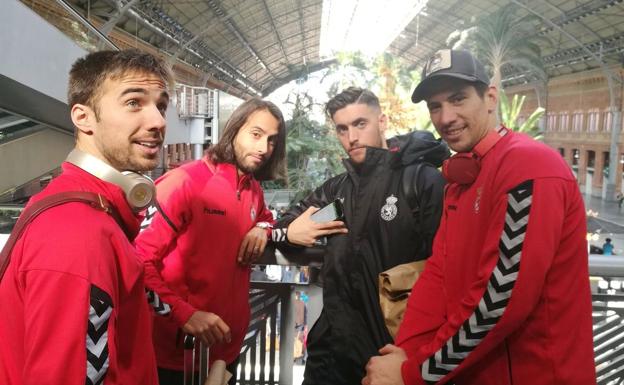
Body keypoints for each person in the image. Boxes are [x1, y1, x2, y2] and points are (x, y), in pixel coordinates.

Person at [363, 49, 596, 385]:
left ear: (490, 98)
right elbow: (437, 278)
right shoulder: (461, 180)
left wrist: (412, 374)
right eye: (435, 106)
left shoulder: (528, 166)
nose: (446, 118)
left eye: (458, 99)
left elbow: (500, 300)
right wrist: (404, 354)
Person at [0, 49, 173, 385]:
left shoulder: (93, 211)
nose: (158, 122)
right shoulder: (79, 234)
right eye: (134, 102)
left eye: (161, 105)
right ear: (83, 117)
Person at [273, 87, 448, 385]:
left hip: (386, 356)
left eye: (360, 124)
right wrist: (289, 232)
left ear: (382, 121)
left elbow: (445, 270)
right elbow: (288, 223)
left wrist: (419, 353)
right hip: (329, 356)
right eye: (342, 128)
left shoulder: (419, 181)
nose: (351, 137)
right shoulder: (337, 192)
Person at [134, 98, 286, 385]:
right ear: (234, 130)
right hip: (173, 357)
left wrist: (263, 229)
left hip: (225, 353)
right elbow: (137, 261)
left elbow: (268, 218)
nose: (264, 148)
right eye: (256, 134)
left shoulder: (253, 190)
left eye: (272, 140)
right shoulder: (183, 182)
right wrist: (184, 314)